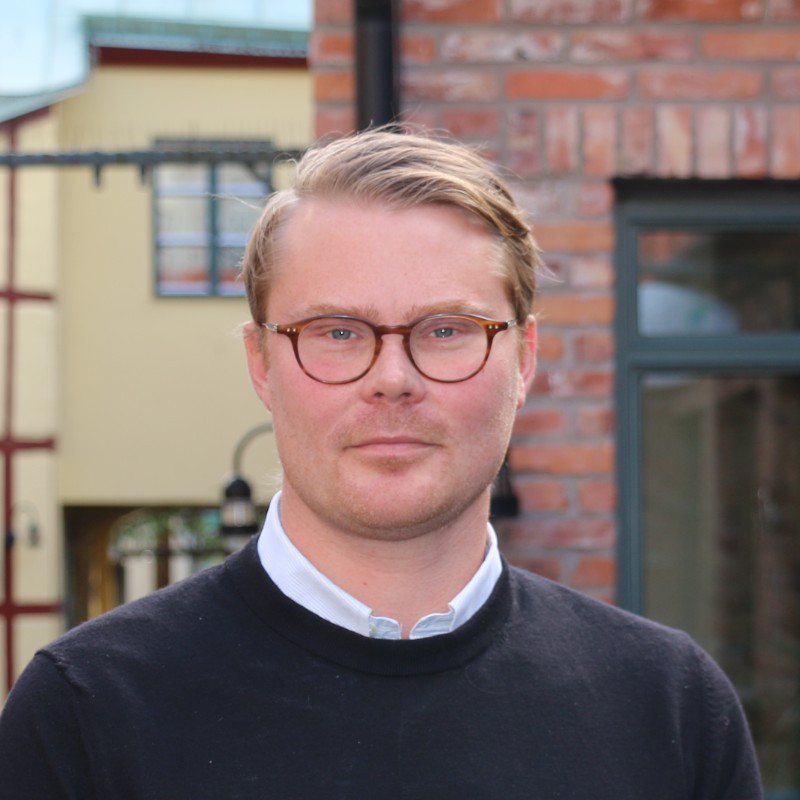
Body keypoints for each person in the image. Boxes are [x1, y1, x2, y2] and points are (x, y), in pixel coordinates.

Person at [0, 129, 761, 798]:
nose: (392, 379)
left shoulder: (668, 706)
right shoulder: (87, 711)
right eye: (337, 332)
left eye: (446, 329)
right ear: (262, 363)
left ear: (524, 359)